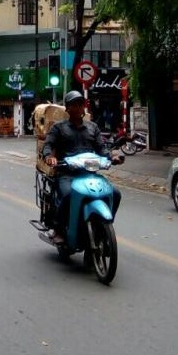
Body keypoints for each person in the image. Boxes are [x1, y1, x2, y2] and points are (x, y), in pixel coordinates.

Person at [41, 90, 123, 243]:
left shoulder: (92, 127)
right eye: (75, 104)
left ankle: (104, 226)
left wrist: (113, 156)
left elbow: (102, 149)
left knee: (115, 193)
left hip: (90, 174)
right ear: (68, 108)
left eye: (81, 104)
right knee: (67, 195)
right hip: (66, 174)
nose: (79, 107)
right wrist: (49, 157)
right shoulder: (59, 128)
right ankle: (59, 230)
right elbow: (48, 145)